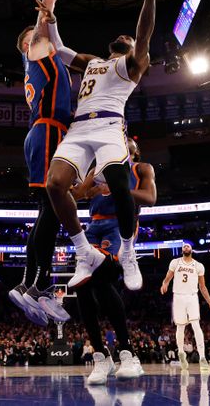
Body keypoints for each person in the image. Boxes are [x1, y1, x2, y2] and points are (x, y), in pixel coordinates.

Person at [45, 0, 170, 291]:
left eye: (128, 38)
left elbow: (144, 34)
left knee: (117, 180)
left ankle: (129, 252)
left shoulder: (133, 64)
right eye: (124, 38)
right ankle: (83, 251)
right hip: (79, 127)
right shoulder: (92, 62)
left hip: (109, 126)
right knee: (54, 184)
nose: (124, 36)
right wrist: (52, 14)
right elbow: (57, 48)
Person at [9, 0, 77, 325]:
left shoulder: (48, 59)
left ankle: (27, 283)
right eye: (41, 36)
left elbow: (52, 26)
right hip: (48, 132)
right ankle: (39, 285)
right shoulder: (35, 52)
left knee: (44, 213)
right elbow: (45, 15)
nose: (50, 37)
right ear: (29, 45)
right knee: (51, 211)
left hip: (46, 132)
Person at [70, 137, 157, 384]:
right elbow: (77, 194)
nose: (121, 139)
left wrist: (115, 189)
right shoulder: (97, 168)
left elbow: (150, 198)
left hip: (120, 225)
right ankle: (101, 355)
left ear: (135, 151)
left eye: (127, 139)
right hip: (94, 224)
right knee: (83, 285)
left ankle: (128, 353)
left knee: (102, 275)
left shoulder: (142, 168)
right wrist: (75, 185)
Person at [160, 243, 210, 373]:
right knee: (180, 327)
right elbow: (168, 277)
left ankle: (203, 357)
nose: (186, 248)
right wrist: (164, 284)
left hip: (192, 296)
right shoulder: (175, 262)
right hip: (179, 297)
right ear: (182, 250)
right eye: (184, 246)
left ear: (191, 250)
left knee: (196, 325)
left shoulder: (198, 266)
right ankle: (181, 353)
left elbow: (203, 287)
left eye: (188, 246)